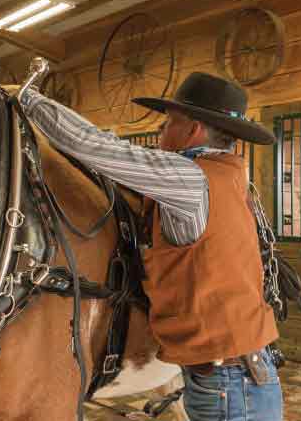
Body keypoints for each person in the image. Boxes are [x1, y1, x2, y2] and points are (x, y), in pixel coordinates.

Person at [19, 71, 282, 421]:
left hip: (230, 386)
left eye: (169, 122)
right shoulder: (229, 175)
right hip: (232, 379)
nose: (161, 132)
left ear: (193, 130)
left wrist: (29, 100)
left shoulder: (190, 180)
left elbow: (98, 147)